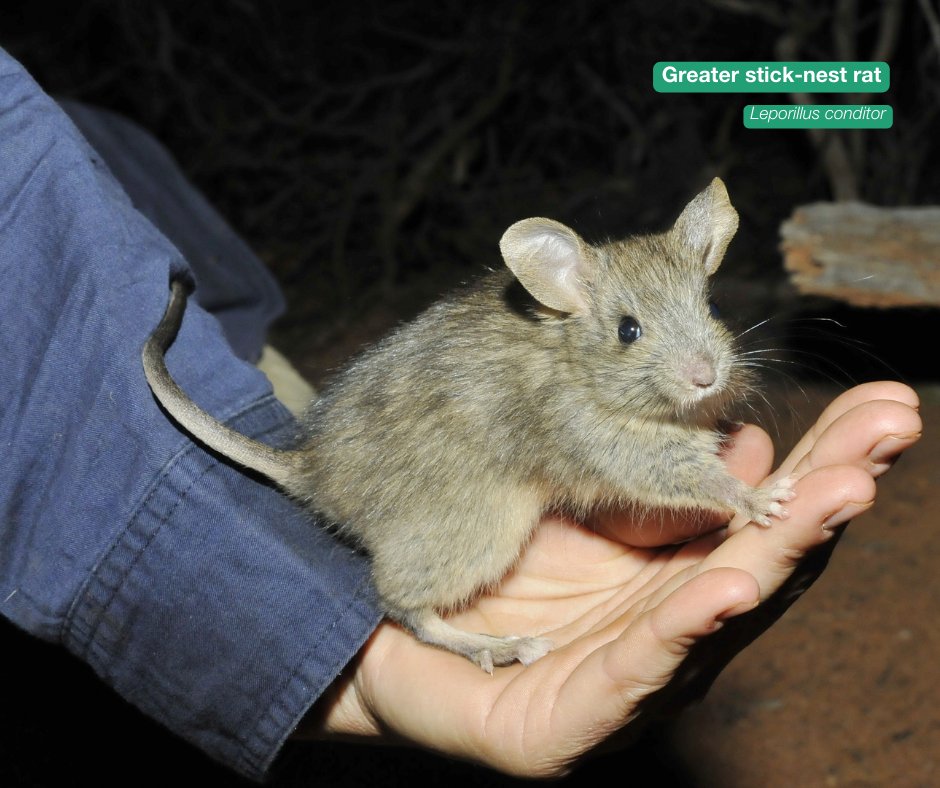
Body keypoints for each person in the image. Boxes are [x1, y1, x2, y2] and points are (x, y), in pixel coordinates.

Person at [0, 48, 922, 781]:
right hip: (425, 469)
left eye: (708, 320)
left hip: (379, 437)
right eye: (640, 334)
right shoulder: (564, 381)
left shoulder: (629, 351)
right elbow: (620, 459)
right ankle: (427, 620)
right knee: (490, 527)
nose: (703, 361)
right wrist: (730, 492)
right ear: (569, 297)